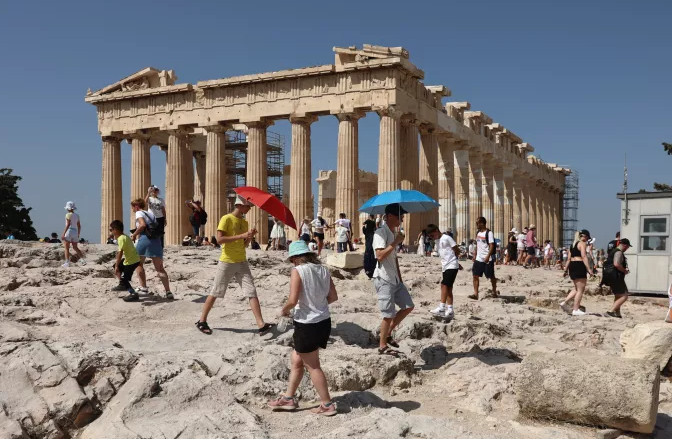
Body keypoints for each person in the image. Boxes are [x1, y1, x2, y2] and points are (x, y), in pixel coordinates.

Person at [267, 241, 338, 416]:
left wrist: (282, 311)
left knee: (313, 366)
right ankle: (288, 398)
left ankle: (327, 404)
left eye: (292, 259)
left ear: (296, 258)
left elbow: (292, 300)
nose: (292, 263)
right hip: (324, 321)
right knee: (297, 359)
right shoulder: (323, 270)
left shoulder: (298, 271)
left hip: (307, 324)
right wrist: (317, 306)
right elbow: (333, 296)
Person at [195, 196, 272, 336]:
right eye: (248, 206)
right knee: (216, 291)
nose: (250, 209)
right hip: (227, 261)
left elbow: (243, 245)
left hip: (242, 261)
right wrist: (242, 235)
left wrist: (249, 237)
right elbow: (219, 239)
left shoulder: (244, 222)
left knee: (251, 291)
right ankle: (202, 320)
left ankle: (261, 324)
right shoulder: (226, 218)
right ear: (240, 205)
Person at [372, 203, 414, 356]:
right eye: (400, 216)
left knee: (408, 306)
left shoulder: (392, 232)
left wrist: (400, 278)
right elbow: (380, 256)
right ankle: (382, 346)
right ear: (389, 216)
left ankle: (388, 333)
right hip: (383, 278)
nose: (402, 219)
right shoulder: (380, 232)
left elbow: (394, 258)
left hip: (395, 279)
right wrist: (396, 242)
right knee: (388, 314)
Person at [126, 198, 172, 301]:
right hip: (156, 241)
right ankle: (168, 291)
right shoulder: (151, 214)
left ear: (136, 206)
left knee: (138, 263)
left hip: (145, 239)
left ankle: (143, 288)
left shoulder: (139, 213)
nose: (132, 209)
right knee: (160, 268)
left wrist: (134, 234)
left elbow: (142, 225)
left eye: (132, 207)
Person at [426, 224, 460, 319]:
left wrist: (455, 261)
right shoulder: (437, 241)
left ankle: (441, 308)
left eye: (432, 235)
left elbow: (456, 249)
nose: (432, 238)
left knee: (444, 285)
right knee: (448, 288)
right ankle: (450, 309)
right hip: (445, 266)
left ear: (437, 230)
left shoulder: (447, 238)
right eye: (430, 236)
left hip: (451, 264)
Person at [559, 230, 594, 316]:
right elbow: (584, 256)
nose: (587, 240)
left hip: (572, 266)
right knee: (580, 290)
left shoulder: (572, 245)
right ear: (584, 236)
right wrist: (589, 269)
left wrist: (565, 270)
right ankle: (576, 309)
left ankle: (564, 302)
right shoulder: (582, 243)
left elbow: (568, 259)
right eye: (587, 238)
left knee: (576, 288)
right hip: (579, 265)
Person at [109, 220, 140, 295]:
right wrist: (116, 265)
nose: (110, 232)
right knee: (118, 267)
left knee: (124, 279)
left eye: (111, 230)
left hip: (132, 261)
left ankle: (132, 293)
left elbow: (120, 252)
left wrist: (116, 265)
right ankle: (122, 284)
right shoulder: (125, 236)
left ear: (115, 230)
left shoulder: (121, 238)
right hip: (133, 259)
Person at [469, 217, 497, 300]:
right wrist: (475, 254)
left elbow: (491, 245)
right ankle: (475, 294)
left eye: (477, 223)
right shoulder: (478, 233)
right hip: (478, 258)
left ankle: (494, 291)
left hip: (487, 259)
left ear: (482, 223)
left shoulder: (489, 233)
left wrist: (488, 256)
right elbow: (478, 244)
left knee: (491, 276)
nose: (476, 225)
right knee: (475, 276)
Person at [603, 238, 631, 318]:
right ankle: (610, 312)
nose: (627, 249)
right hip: (616, 276)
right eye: (628, 247)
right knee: (624, 296)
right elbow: (616, 264)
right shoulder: (618, 252)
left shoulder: (613, 251)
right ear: (625, 245)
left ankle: (617, 313)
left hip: (612, 276)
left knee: (618, 295)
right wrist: (624, 270)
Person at [61, 201, 86, 267]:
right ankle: (82, 260)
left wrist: (63, 233)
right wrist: (78, 234)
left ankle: (67, 262)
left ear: (68, 208)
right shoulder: (77, 215)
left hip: (69, 231)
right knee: (75, 247)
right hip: (75, 231)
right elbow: (79, 226)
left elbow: (68, 224)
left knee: (66, 247)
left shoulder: (68, 214)